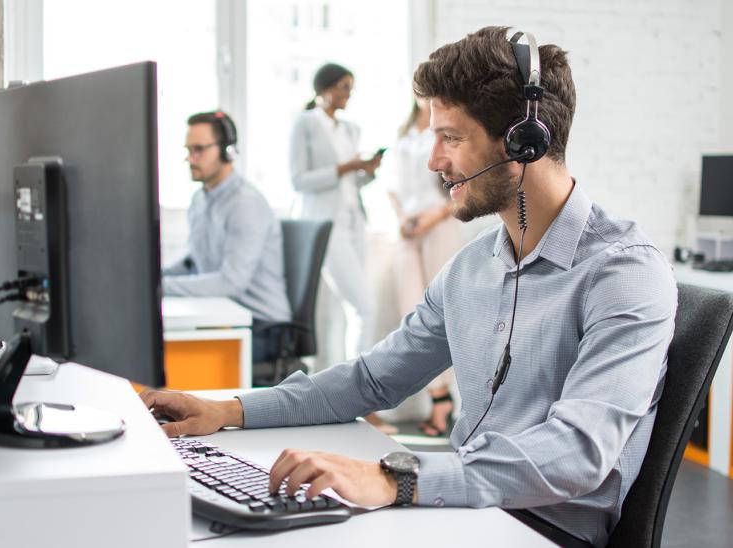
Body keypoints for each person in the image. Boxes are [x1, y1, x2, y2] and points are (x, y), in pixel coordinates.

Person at [142, 28, 677, 547]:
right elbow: (372, 381)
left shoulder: (624, 273)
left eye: (451, 137)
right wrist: (229, 411)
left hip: (541, 530)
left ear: (523, 141)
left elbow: (577, 454)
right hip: (460, 512)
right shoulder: (472, 268)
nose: (433, 161)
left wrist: (395, 478)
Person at [289, 63, 393, 433]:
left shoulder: (350, 128)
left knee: (338, 316)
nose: (348, 94)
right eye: (343, 87)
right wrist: (347, 166)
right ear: (325, 88)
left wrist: (367, 171)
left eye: (351, 87)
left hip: (353, 223)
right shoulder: (305, 123)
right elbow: (299, 180)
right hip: (324, 226)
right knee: (362, 307)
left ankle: (330, 401)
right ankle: (360, 399)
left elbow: (353, 185)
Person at [162, 110, 291, 363]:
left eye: (199, 149)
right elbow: (193, 261)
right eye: (188, 150)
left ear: (227, 151)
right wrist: (154, 277)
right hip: (224, 317)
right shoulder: (200, 199)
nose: (191, 158)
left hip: (262, 328)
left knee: (174, 361)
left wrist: (160, 289)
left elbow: (231, 282)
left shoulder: (245, 204)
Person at [388, 97, 463, 437]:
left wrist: (433, 217)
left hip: (439, 222)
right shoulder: (404, 131)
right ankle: (439, 395)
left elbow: (462, 179)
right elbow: (392, 185)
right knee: (413, 314)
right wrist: (403, 218)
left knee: (442, 310)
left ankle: (443, 401)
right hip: (410, 227)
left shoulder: (446, 130)